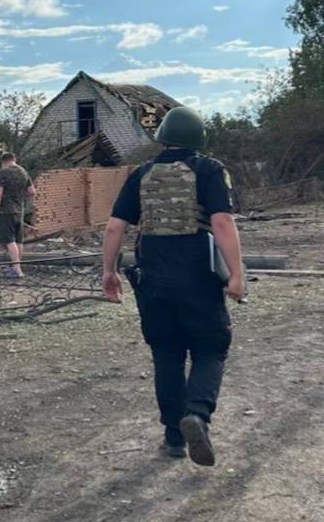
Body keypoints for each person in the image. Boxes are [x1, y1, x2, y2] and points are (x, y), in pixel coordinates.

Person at [101, 107, 245, 467]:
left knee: (166, 354)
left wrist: (109, 272)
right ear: (199, 138)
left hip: (152, 280)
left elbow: (115, 227)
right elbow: (223, 222)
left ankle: (174, 438)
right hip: (198, 277)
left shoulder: (142, 174)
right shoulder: (209, 170)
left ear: (162, 137)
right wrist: (238, 274)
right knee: (211, 347)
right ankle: (196, 414)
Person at [0, 152, 35, 277]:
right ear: (14, 159)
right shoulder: (23, 172)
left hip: (5, 211)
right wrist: (19, 196)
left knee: (9, 240)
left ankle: (17, 269)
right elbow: (32, 192)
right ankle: (16, 266)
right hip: (19, 211)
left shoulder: (3, 172)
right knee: (18, 240)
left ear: (3, 161)